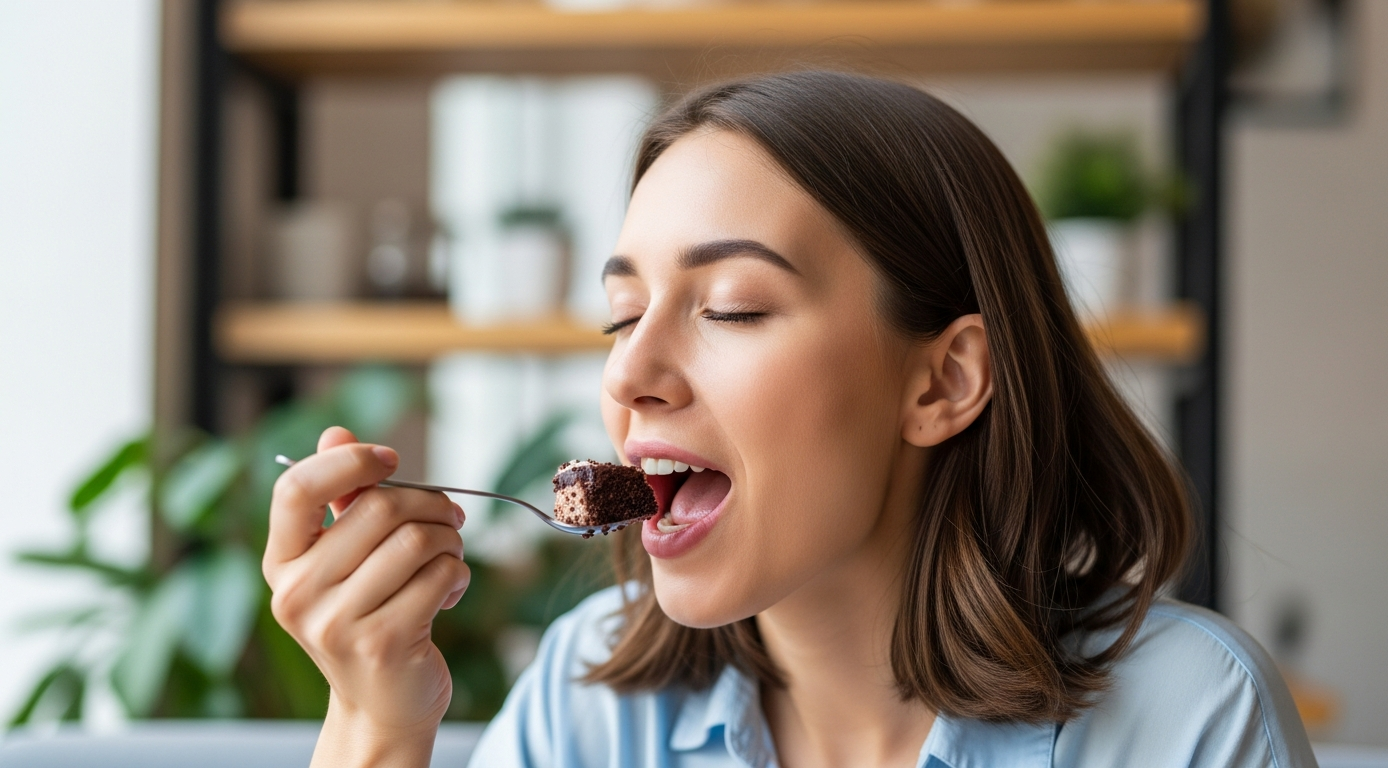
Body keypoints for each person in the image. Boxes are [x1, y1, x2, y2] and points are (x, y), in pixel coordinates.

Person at [262, 71, 1317, 768]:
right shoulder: (589, 705)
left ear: (942, 382)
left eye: (731, 308)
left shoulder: (1187, 719)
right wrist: (374, 723)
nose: (631, 370)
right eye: (621, 314)